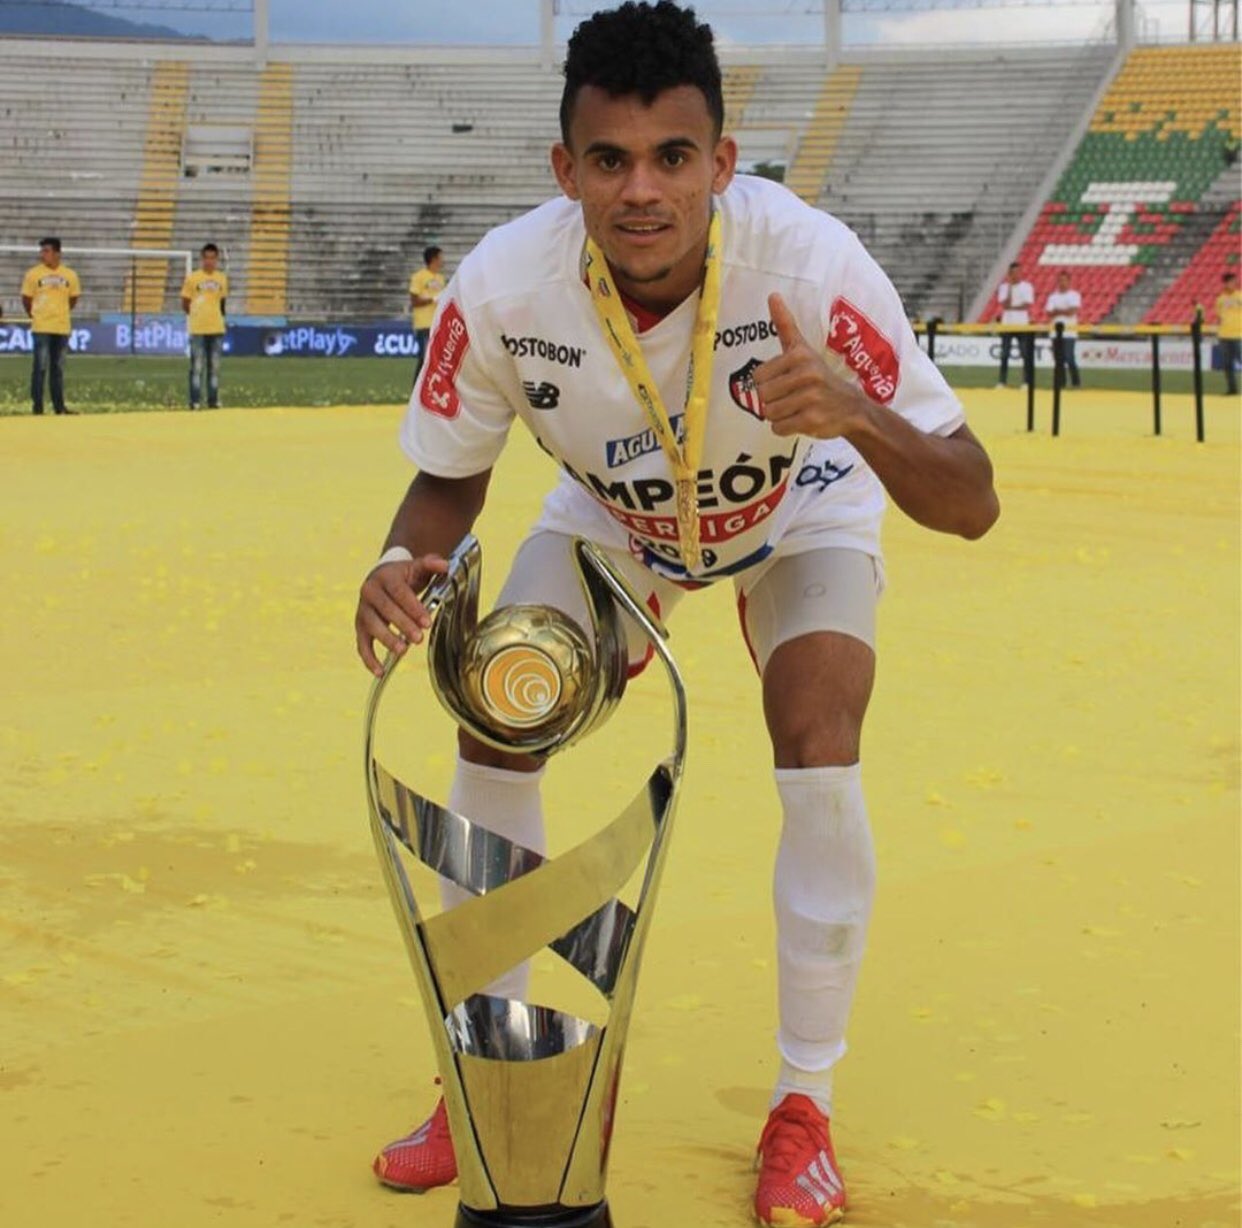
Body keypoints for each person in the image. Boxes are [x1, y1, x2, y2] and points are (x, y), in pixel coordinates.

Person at [353, 4, 999, 1224]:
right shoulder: (502, 286)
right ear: (566, 170)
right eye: (609, 160)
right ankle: (490, 1070)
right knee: (495, 708)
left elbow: (972, 501)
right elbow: (449, 477)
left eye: (672, 157)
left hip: (799, 509)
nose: (641, 191)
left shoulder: (810, 267)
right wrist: (400, 559)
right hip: (618, 525)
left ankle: (801, 1106)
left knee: (818, 733)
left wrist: (856, 416)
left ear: (723, 162)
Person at [20, 237, 80, 415]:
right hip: (41, 327)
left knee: (58, 369)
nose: (43, 254)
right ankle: (37, 407)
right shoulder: (33, 274)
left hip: (61, 327)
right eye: (42, 251)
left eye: (46, 251)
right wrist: (36, 315)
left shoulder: (70, 275)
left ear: (57, 253)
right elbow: (26, 298)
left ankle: (59, 406)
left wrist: (60, 312)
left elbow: (74, 298)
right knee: (40, 367)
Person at [180, 243, 229, 410]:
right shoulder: (192, 278)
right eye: (206, 258)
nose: (209, 261)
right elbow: (185, 302)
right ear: (202, 259)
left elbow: (222, 302)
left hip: (216, 328)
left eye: (212, 258)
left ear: (217, 259)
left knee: (214, 367)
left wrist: (218, 318)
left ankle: (213, 400)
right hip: (198, 329)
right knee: (197, 367)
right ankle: (194, 401)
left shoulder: (222, 278)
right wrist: (196, 315)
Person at [409, 245, 446, 382]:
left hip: (437, 324)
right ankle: (416, 390)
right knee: (425, 358)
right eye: (441, 257)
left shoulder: (441, 278)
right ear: (434, 259)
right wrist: (432, 299)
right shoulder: (419, 277)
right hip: (424, 323)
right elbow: (414, 301)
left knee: (437, 360)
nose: (443, 260)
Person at [995, 261, 1034, 389]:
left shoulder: (1027, 287)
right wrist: (1010, 288)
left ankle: (1026, 382)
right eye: (1014, 273)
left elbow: (1026, 305)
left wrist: (1012, 307)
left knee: (1025, 354)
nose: (1016, 275)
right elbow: (1005, 304)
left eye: (1018, 272)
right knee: (1005, 354)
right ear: (1010, 274)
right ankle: (1002, 381)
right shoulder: (1004, 287)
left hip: (1022, 324)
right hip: (1007, 324)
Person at [1044, 270, 1082, 389]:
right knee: (1058, 359)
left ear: (1069, 281)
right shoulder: (1053, 296)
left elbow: (1072, 312)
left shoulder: (1074, 295)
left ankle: (1076, 383)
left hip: (1069, 332)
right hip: (1055, 332)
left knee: (1069, 358)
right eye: (1060, 280)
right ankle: (1060, 383)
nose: (1062, 283)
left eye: (1064, 280)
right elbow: (1049, 313)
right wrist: (1063, 311)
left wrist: (1058, 311)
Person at [1214, 270, 1240, 396]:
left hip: (1239, 334)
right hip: (1224, 335)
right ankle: (1232, 388)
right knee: (1227, 364)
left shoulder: (1240, 296)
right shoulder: (1220, 299)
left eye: (1235, 281)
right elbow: (1219, 317)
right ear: (1225, 283)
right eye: (1231, 282)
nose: (1234, 283)